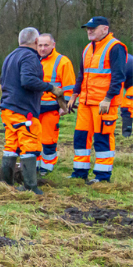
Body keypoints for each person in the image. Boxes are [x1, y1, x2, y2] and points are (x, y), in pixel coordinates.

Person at [0, 28, 63, 195]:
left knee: (11, 145)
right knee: (29, 145)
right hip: (23, 110)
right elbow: (27, 80)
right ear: (35, 42)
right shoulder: (29, 56)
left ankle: (7, 184)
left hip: (8, 107)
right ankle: (30, 187)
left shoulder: (10, 56)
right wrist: (50, 88)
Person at [69, 16, 128, 183]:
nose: (89, 30)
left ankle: (102, 177)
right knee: (80, 136)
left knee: (102, 138)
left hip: (103, 103)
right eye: (88, 28)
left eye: (93, 28)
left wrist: (108, 98)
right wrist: (74, 94)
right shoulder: (88, 48)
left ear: (105, 29)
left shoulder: (115, 47)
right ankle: (79, 173)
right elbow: (82, 74)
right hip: (86, 102)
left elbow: (118, 76)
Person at [35, 33, 75, 175]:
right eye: (40, 45)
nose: (42, 48)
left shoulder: (62, 61)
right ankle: (35, 165)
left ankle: (46, 167)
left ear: (53, 45)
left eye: (46, 45)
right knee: (33, 138)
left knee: (48, 139)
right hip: (33, 107)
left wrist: (65, 106)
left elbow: (69, 86)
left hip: (51, 107)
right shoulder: (32, 59)